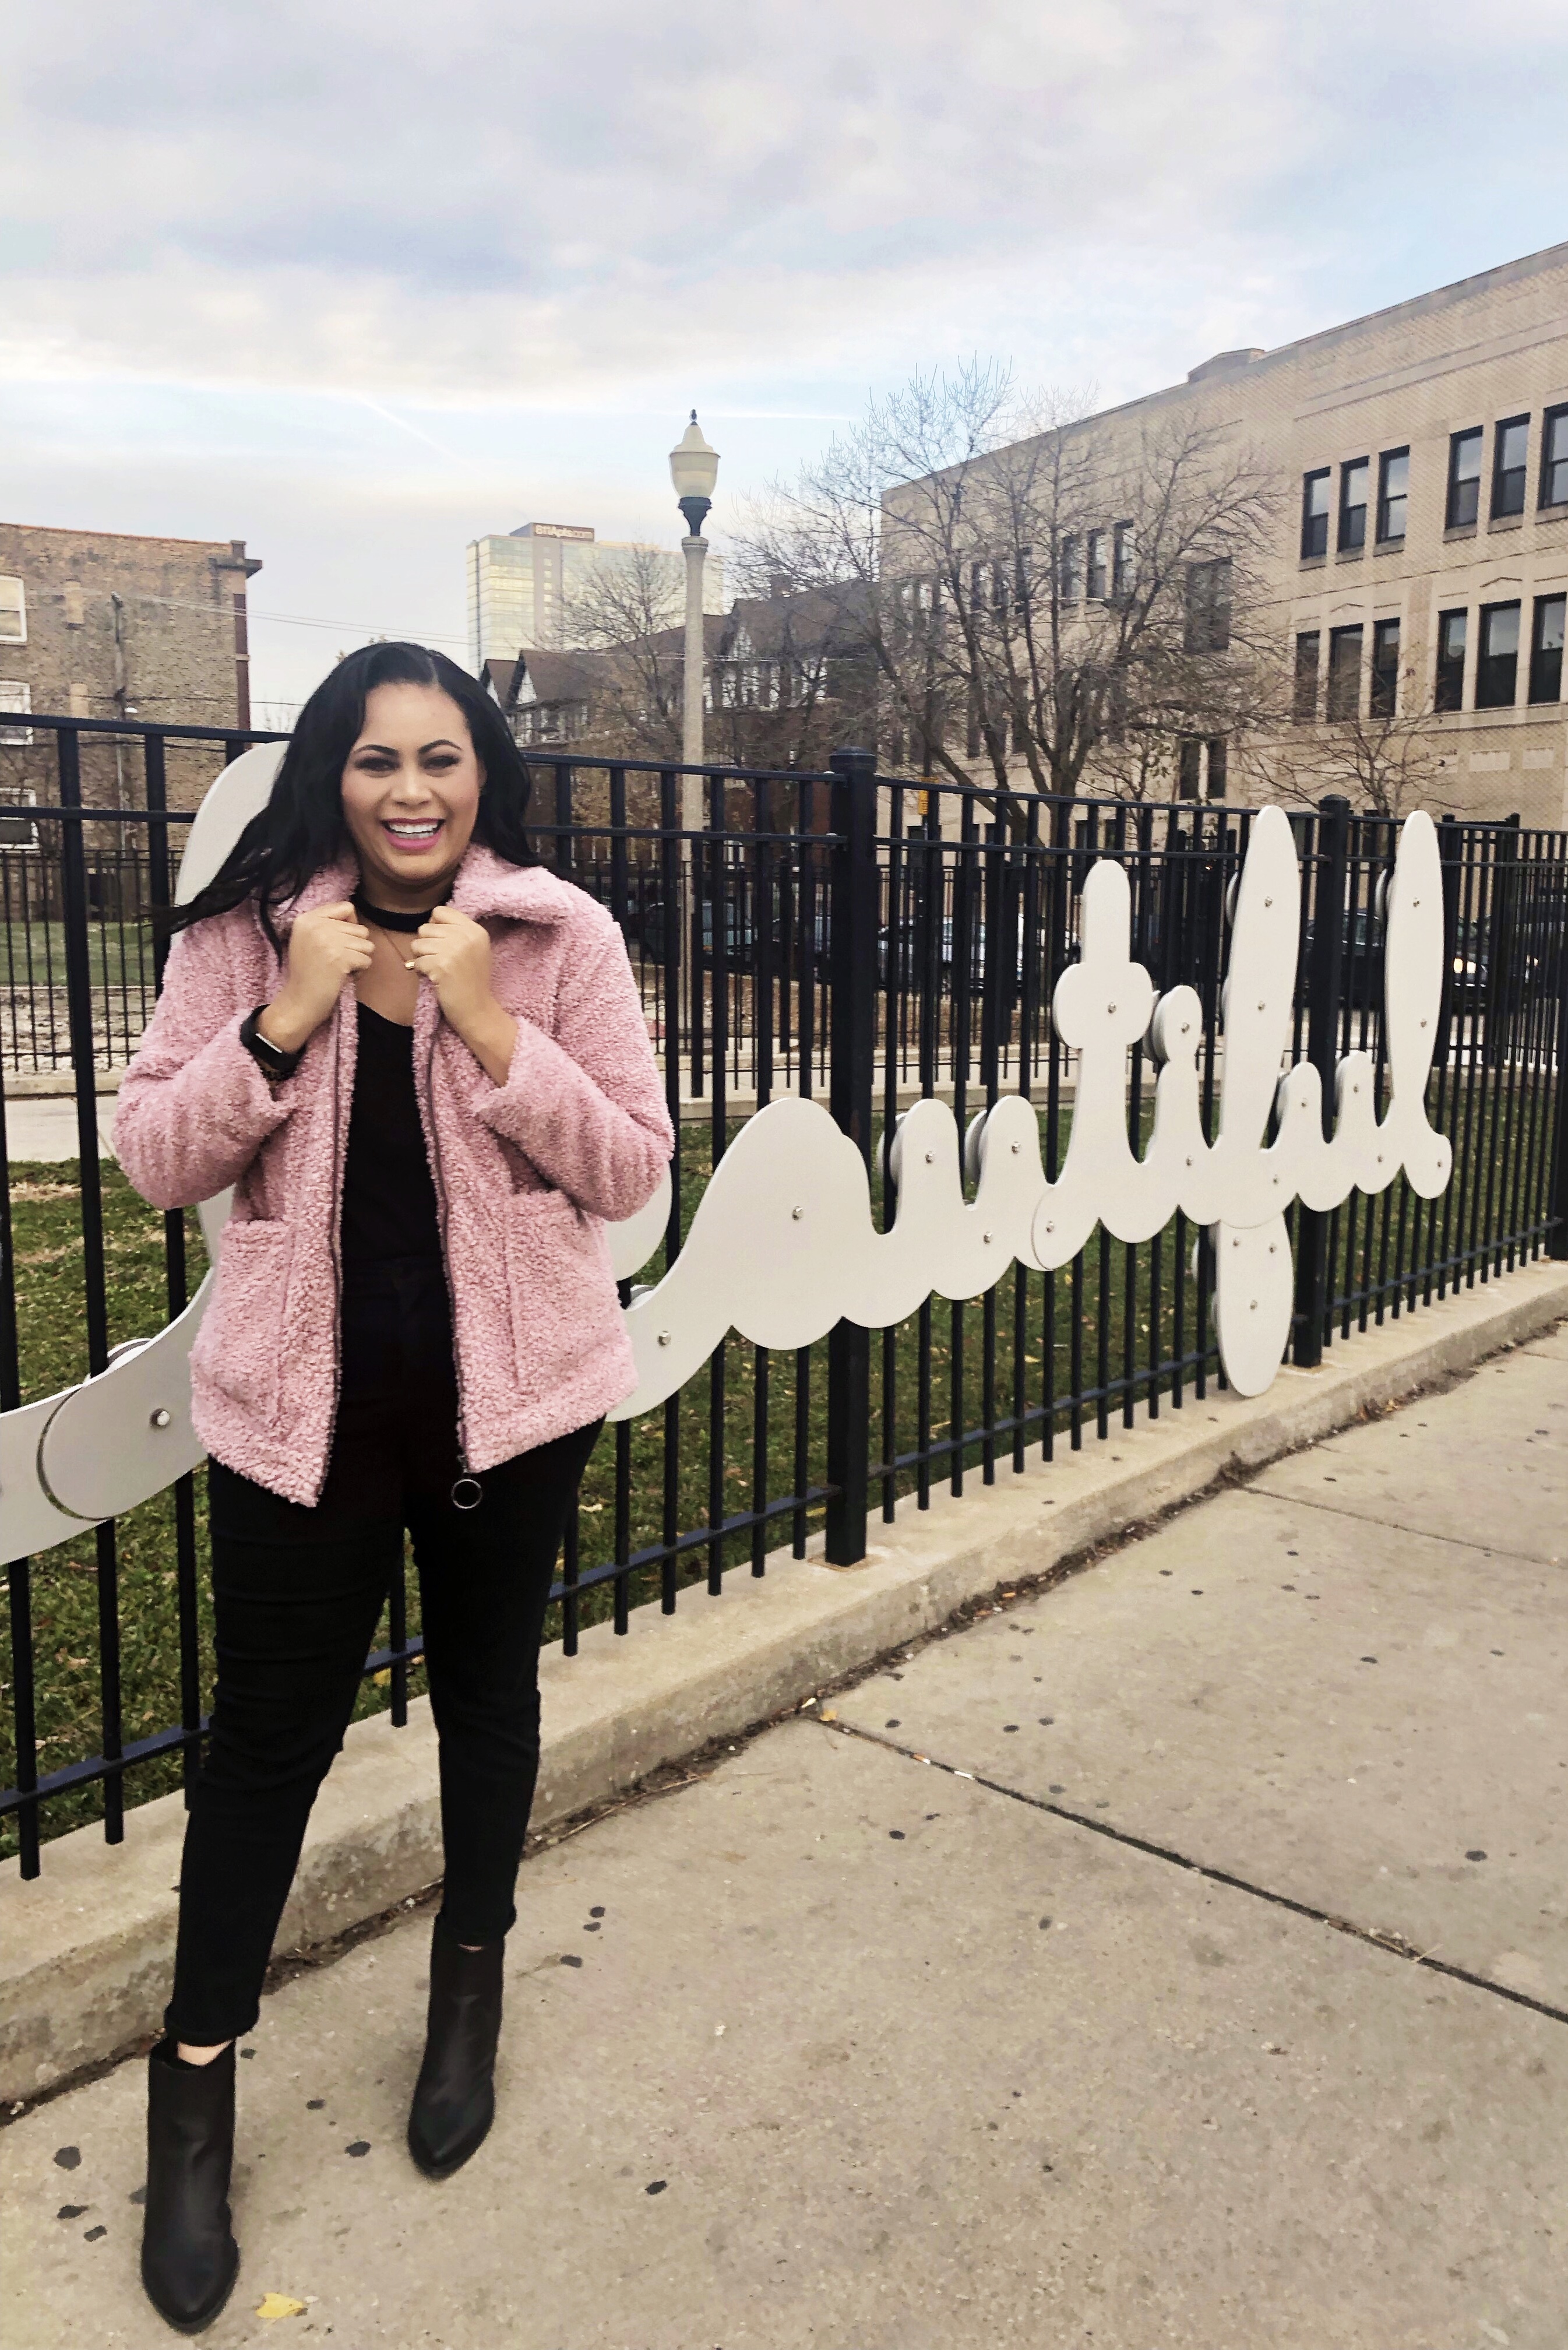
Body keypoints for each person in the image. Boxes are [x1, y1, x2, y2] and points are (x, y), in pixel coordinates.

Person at [115, 641, 671, 2333]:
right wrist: (282, 1017)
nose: (412, 791)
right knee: (266, 1743)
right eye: (376, 762)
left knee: (488, 1702)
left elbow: (633, 1171)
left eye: (442, 758)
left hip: (508, 1415)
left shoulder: (555, 938)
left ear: (484, 773)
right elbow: (153, 1158)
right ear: (329, 780)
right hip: (305, 1419)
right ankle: (196, 2080)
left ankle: (468, 1989)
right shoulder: (241, 936)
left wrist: (496, 1030)